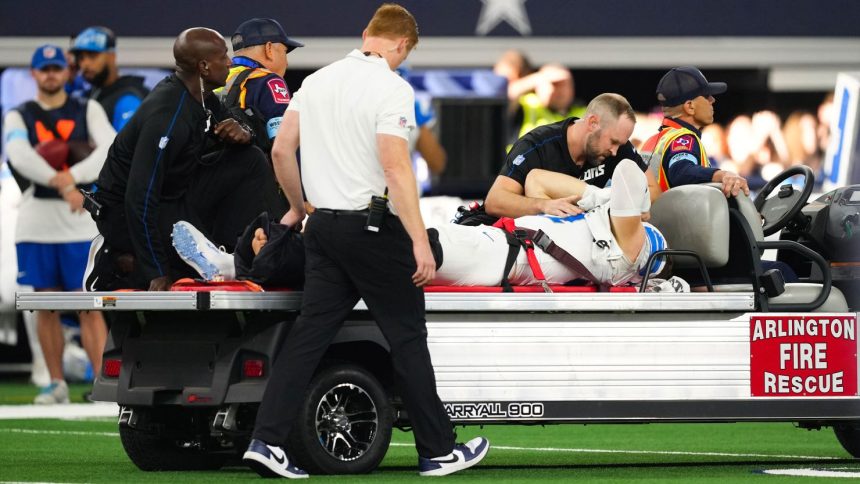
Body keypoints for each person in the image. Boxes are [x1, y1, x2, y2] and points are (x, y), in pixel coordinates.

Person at [243, 4, 488, 478]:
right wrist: (419, 240)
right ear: (402, 45)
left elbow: (280, 149)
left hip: (324, 229)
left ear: (366, 35)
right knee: (407, 338)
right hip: (374, 229)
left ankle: (266, 441)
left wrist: (297, 207)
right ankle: (437, 450)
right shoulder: (392, 87)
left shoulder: (316, 80)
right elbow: (396, 167)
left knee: (308, 337)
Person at [173, 158, 665, 288]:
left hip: (501, 254)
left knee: (383, 239)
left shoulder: (628, 247)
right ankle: (245, 261)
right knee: (374, 245)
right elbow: (535, 178)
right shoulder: (610, 232)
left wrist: (604, 197)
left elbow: (627, 174)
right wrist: (578, 200)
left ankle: (237, 265)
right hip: (497, 247)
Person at [85, 27, 280, 292]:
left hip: (173, 196)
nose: (230, 62)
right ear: (204, 66)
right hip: (123, 212)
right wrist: (156, 270)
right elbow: (138, 197)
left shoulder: (203, 97)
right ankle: (115, 259)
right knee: (177, 270)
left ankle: (234, 252)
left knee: (249, 159)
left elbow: (240, 133)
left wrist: (244, 132)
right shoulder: (166, 115)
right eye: (223, 57)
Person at [2, 44, 115, 404]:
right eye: (43, 68)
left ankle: (101, 382)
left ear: (66, 72)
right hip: (37, 222)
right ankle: (55, 383)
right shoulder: (20, 114)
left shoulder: (88, 108)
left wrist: (73, 177)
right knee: (44, 306)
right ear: (34, 74)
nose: (50, 74)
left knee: (90, 305)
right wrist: (63, 181)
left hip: (79, 223)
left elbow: (109, 145)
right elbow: (17, 154)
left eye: (56, 68)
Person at [484, 92, 647, 219]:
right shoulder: (536, 145)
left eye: (620, 144)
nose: (615, 151)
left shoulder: (617, 146)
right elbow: (494, 201)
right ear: (592, 123)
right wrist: (544, 206)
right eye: (612, 141)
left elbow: (652, 189)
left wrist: (632, 208)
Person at [640, 66, 749, 200]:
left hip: (650, 219)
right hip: (669, 221)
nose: (712, 100)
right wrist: (722, 174)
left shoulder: (654, 140)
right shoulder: (683, 138)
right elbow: (681, 171)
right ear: (690, 106)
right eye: (706, 96)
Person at [218, 18, 303, 156]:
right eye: (284, 51)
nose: (286, 62)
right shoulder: (270, 81)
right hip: (251, 173)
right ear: (269, 48)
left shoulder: (217, 78)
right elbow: (282, 145)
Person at [70, 26, 148, 132]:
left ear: (112, 56)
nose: (85, 64)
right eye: (81, 58)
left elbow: (128, 146)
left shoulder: (129, 96)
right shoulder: (90, 94)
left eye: (92, 56)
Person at [504, 63, 586, 146]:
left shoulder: (584, 113)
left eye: (565, 84)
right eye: (555, 84)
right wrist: (539, 77)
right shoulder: (526, 105)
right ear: (538, 86)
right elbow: (504, 96)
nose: (560, 91)